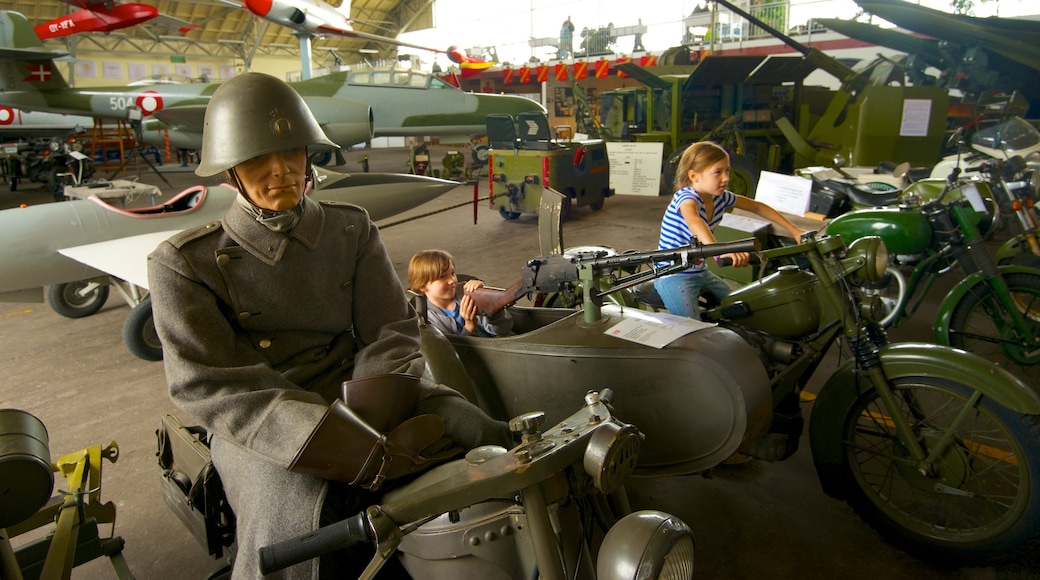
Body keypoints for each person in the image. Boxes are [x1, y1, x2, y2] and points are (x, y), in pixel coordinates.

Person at [147, 72, 511, 579]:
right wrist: (330, 440)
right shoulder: (183, 263)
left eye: (292, 151)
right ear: (229, 172)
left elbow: (391, 329)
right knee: (304, 520)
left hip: (366, 392)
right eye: (257, 158)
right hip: (268, 425)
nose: (281, 171)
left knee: (488, 440)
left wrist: (370, 413)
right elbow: (209, 384)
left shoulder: (350, 227)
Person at [654, 141, 805, 319]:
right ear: (694, 176)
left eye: (727, 171)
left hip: (700, 271)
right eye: (717, 172)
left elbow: (757, 207)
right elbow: (694, 221)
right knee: (692, 329)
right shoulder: (686, 198)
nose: (726, 178)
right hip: (673, 274)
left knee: (740, 306)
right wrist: (720, 252)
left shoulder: (721, 198)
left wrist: (795, 230)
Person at [408, 249, 513, 337]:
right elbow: (450, 354)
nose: (452, 280)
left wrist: (488, 301)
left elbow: (502, 330)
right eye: (442, 277)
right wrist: (469, 327)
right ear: (422, 286)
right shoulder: (426, 319)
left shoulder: (468, 294)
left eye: (452, 273)